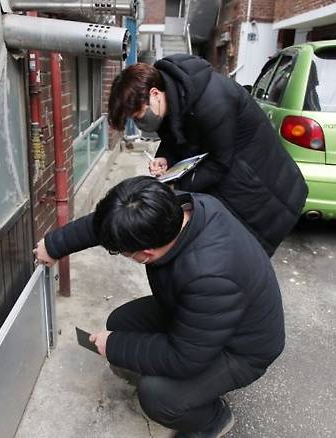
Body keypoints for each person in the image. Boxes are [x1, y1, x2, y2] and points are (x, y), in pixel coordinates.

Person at [33, 176, 285, 437]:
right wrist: (54, 245)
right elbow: (112, 224)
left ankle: (213, 419)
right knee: (121, 323)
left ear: (146, 253)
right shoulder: (174, 208)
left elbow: (185, 358)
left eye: (121, 251)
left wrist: (115, 346)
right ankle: (179, 385)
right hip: (200, 315)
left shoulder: (210, 278)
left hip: (241, 348)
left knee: (157, 396)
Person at [108, 54, 308, 256]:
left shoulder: (213, 100)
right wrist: (165, 157)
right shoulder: (175, 95)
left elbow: (219, 163)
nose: (140, 123)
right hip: (233, 179)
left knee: (247, 254)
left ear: (154, 93)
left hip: (262, 184)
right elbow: (174, 135)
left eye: (139, 116)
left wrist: (176, 186)